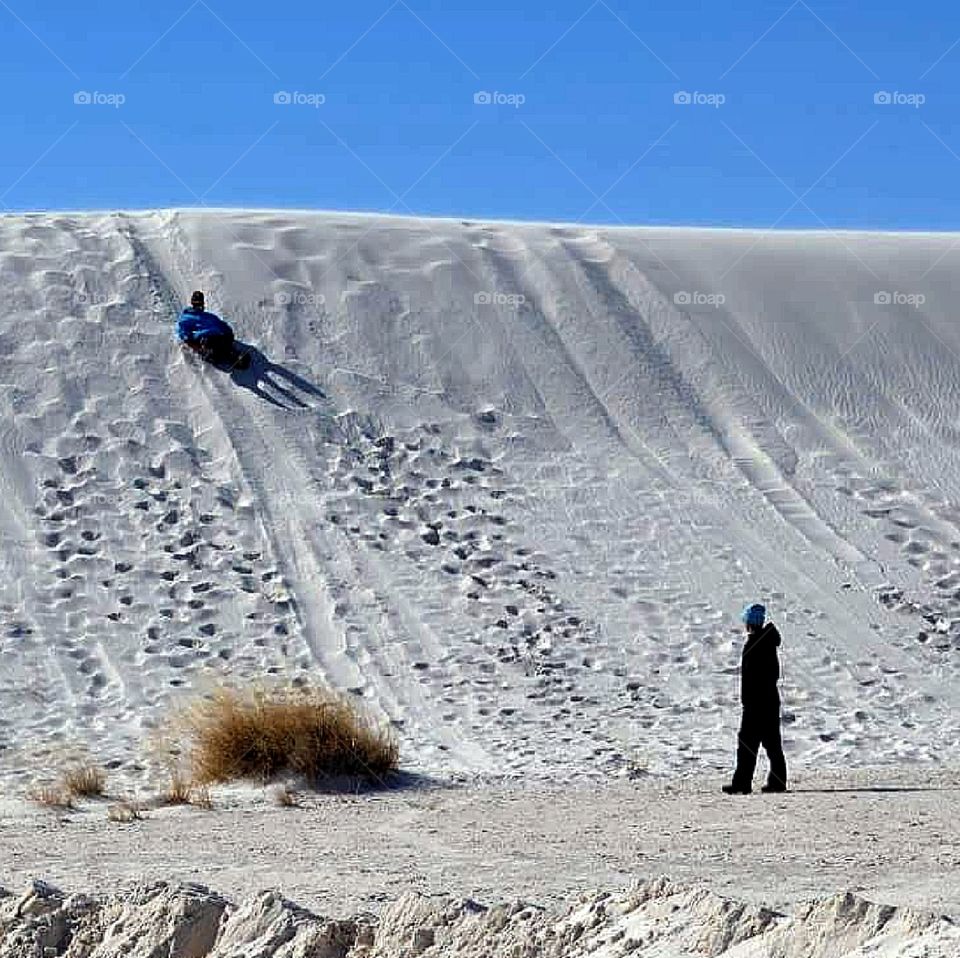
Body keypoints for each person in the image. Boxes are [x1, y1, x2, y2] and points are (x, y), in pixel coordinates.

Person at [722, 603, 788, 795]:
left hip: (757, 704)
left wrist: (750, 701)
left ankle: (742, 783)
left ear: (749, 623)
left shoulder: (756, 644)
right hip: (768, 701)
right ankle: (777, 782)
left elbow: (756, 677)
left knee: (747, 743)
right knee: (771, 743)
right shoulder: (765, 641)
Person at [177, 291, 236, 363]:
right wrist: (195, 346)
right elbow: (184, 334)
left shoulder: (208, 316)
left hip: (218, 338)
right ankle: (217, 355)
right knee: (208, 342)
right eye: (196, 304)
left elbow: (220, 324)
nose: (199, 306)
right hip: (202, 343)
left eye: (200, 304)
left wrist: (228, 333)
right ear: (193, 303)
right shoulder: (186, 317)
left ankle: (230, 353)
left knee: (221, 339)